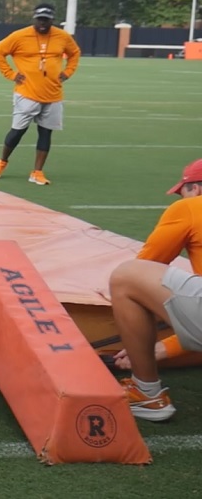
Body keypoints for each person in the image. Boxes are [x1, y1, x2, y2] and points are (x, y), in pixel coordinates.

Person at [107, 159, 202, 422]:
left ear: (195, 189)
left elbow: (146, 266)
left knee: (126, 277)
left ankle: (146, 394)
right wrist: (166, 347)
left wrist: (153, 346)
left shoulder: (190, 207)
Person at [0, 3, 81, 186]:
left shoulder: (62, 37)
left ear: (52, 20)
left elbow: (74, 53)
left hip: (53, 94)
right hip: (26, 93)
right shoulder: (20, 35)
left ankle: (37, 172)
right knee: (17, 132)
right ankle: (2, 162)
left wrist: (68, 72)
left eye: (47, 20)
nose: (43, 24)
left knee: (45, 134)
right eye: (40, 20)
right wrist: (11, 74)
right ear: (34, 19)